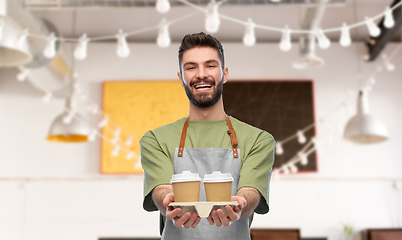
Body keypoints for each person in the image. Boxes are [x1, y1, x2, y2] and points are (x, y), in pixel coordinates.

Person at [140, 32, 275, 240]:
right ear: (181, 77)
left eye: (210, 65)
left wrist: (241, 204)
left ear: (225, 73)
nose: (201, 74)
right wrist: (167, 200)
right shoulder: (156, 140)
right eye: (191, 67)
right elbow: (161, 189)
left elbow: (251, 192)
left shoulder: (258, 140)